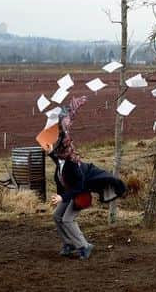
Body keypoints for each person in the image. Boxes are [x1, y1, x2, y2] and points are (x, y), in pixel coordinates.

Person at [46, 97, 126, 259]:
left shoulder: (73, 165)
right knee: (56, 216)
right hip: (70, 194)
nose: (56, 152)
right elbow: (58, 154)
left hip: (81, 194)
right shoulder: (61, 159)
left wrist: (62, 197)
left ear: (64, 152)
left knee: (68, 219)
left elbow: (80, 187)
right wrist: (49, 151)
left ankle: (84, 246)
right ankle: (69, 244)